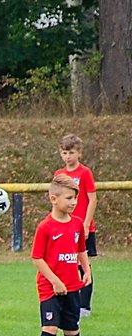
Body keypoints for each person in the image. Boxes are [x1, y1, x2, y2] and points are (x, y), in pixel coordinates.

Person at [31, 176, 91, 336]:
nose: (73, 202)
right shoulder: (45, 227)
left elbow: (81, 250)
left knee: (72, 330)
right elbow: (37, 258)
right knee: (49, 328)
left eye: (75, 198)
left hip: (73, 287)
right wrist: (55, 281)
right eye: (69, 198)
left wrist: (87, 270)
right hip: (49, 288)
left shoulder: (77, 224)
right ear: (53, 199)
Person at [54, 134, 98, 317]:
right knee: (65, 263)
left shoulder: (85, 173)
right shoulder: (59, 174)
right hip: (64, 227)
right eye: (64, 153)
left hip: (82, 227)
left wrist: (86, 224)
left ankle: (84, 306)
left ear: (79, 153)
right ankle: (67, 301)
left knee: (83, 265)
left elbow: (92, 198)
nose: (67, 156)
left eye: (71, 152)